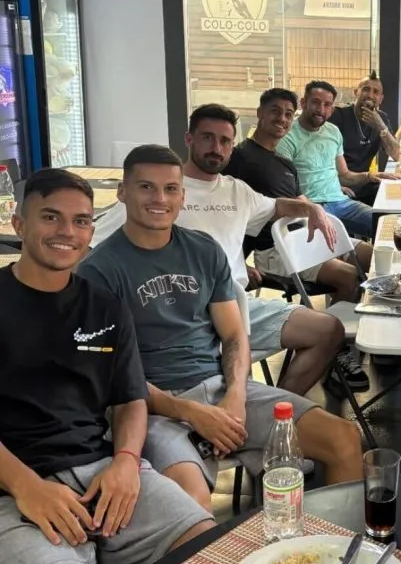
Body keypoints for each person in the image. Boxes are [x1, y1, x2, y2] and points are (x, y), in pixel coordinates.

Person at [78, 146, 365, 514]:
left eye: (170, 189)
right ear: (122, 192)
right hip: (153, 408)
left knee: (343, 439)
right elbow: (113, 377)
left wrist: (234, 395)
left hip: (220, 389)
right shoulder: (99, 271)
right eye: (146, 187)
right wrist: (190, 412)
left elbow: (233, 335)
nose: (159, 199)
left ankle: (344, 561)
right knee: (191, 502)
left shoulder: (203, 250)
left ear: (183, 195)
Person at [0, 168, 214, 564]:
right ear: (19, 223)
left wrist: (124, 463)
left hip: (101, 471)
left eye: (80, 222)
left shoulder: (104, 305)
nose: (66, 232)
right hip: (12, 492)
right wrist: (27, 487)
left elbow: (130, 400)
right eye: (50, 217)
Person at [92, 105, 346, 398]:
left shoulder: (237, 190)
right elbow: (93, 243)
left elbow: (276, 206)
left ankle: (279, 411)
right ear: (189, 139)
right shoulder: (159, 193)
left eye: (225, 141)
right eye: (207, 138)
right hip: (179, 310)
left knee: (327, 330)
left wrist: (310, 207)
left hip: (237, 304)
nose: (216, 148)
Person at [226, 88, 372, 390]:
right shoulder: (240, 159)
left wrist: (316, 210)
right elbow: (231, 218)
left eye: (287, 114)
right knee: (347, 277)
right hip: (274, 249)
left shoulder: (281, 162)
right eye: (275, 111)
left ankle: (371, 342)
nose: (282, 119)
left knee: (370, 254)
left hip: (303, 236)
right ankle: (339, 356)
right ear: (260, 113)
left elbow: (299, 200)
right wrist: (238, 264)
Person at [277, 80, 395, 239]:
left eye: (327, 105)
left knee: (389, 226)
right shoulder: (286, 138)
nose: (321, 110)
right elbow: (285, 190)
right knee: (339, 250)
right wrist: (311, 208)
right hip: (310, 207)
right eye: (316, 103)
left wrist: (369, 176)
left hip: (341, 202)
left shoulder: (333, 132)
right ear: (303, 103)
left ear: (331, 109)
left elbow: (345, 175)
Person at [330, 72, 399, 205]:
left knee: (394, 201)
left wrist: (379, 125)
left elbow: (396, 155)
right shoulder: (338, 116)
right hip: (339, 187)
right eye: (366, 89)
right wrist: (333, 186)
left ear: (381, 98)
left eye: (376, 92)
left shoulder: (381, 119)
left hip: (365, 185)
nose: (370, 95)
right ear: (356, 92)